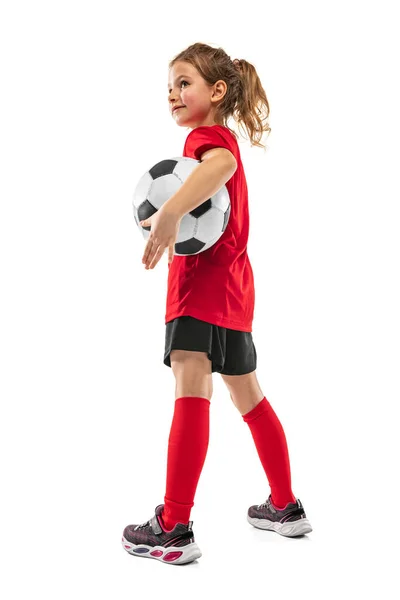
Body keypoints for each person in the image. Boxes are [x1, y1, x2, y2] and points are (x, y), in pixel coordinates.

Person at [122, 42, 312, 566]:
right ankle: (284, 506)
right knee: (250, 398)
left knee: (191, 391)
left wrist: (169, 214)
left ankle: (174, 525)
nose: (173, 94)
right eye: (169, 86)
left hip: (200, 288)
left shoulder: (207, 141)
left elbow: (222, 164)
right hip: (234, 292)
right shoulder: (214, 139)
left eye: (184, 83)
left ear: (217, 91)